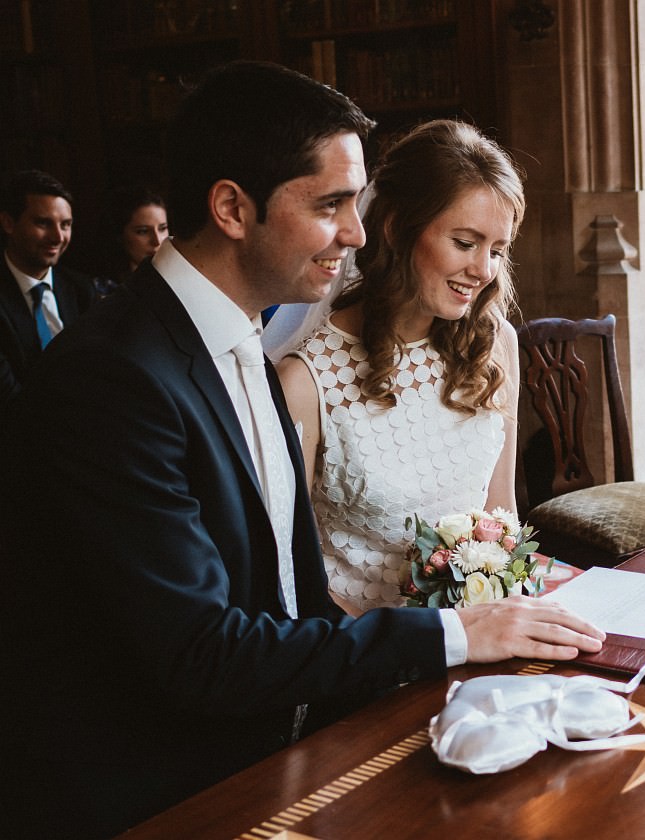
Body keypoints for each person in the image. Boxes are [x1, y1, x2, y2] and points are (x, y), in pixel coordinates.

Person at [0, 61, 603, 840]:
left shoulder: (240, 339)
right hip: (167, 792)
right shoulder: (114, 379)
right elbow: (202, 653)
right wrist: (457, 634)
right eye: (331, 205)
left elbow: (289, 588)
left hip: (300, 729)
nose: (357, 232)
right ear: (231, 208)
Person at [271, 119, 523, 615]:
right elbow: (287, 569)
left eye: (498, 250)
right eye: (466, 243)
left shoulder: (495, 346)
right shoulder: (306, 381)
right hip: (367, 656)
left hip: (484, 633)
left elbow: (502, 512)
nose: (484, 270)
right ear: (396, 228)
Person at [0, 168, 99, 410]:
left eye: (65, 225)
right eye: (43, 223)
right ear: (8, 223)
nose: (58, 237)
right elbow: (9, 399)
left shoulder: (81, 289)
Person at [94, 184, 170, 294]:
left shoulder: (181, 280)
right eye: (143, 231)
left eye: (162, 228)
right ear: (120, 235)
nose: (157, 241)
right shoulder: (101, 290)